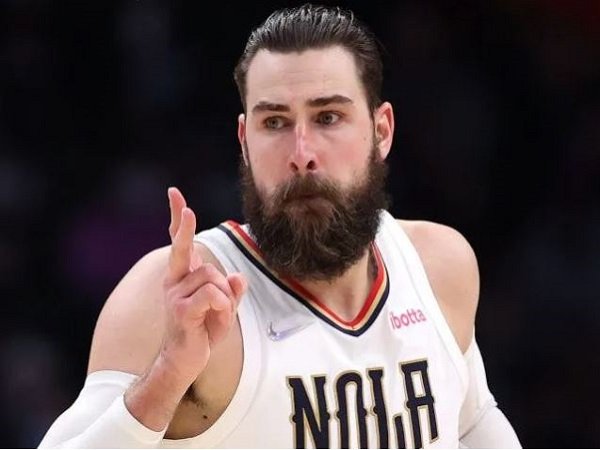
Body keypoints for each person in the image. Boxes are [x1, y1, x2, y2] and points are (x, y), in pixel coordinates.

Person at [39, 4, 521, 448]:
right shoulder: (175, 296)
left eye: (328, 117)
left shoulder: (439, 266)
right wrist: (166, 376)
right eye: (275, 123)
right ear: (245, 141)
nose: (301, 153)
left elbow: (473, 421)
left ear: (381, 132)